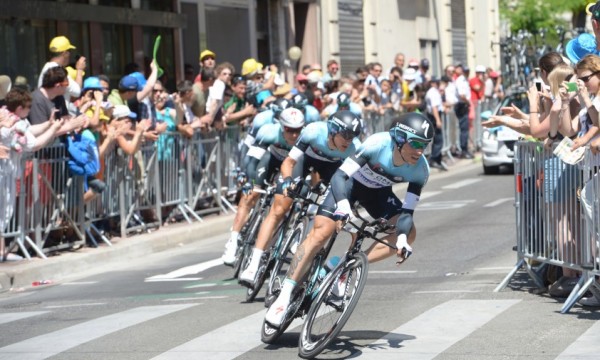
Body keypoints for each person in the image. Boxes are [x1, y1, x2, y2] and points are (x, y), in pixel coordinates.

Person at [265, 112, 433, 326]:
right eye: (416, 143)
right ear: (400, 137)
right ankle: (284, 296)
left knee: (410, 234)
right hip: (348, 187)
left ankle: (345, 264)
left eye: (425, 145)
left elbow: (407, 213)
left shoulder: (421, 170)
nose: (420, 151)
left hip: (378, 194)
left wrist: (401, 239)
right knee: (321, 233)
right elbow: (340, 177)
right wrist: (343, 207)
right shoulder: (377, 144)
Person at [239, 110, 362, 286]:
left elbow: (348, 179)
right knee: (279, 208)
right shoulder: (313, 131)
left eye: (353, 136)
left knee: (329, 216)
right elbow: (289, 162)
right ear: (334, 130)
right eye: (346, 135)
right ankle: (253, 263)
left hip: (332, 169)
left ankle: (307, 242)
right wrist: (288, 180)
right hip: (304, 162)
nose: (349, 140)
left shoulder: (355, 147)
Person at [221, 99, 294, 265]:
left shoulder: (299, 130)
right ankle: (233, 240)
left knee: (287, 197)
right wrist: (245, 175)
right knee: (250, 194)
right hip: (267, 157)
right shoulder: (265, 124)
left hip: (288, 163)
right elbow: (249, 153)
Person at [38, 36, 85, 101]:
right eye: (69, 51)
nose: (69, 54)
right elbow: (77, 92)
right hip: (55, 110)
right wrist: (79, 69)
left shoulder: (48, 67)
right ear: (65, 53)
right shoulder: (57, 71)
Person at [425, 78, 447, 171]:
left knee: (438, 139)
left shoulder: (434, 92)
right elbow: (434, 107)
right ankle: (434, 159)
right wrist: (438, 120)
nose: (437, 84)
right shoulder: (433, 92)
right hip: (434, 116)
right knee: (438, 139)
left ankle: (438, 159)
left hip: (435, 115)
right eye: (436, 82)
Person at [454, 64, 473, 159]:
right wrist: (468, 102)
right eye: (466, 71)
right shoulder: (461, 80)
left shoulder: (465, 80)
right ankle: (463, 149)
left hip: (463, 104)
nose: (467, 73)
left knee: (465, 129)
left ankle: (465, 148)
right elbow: (462, 95)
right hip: (461, 105)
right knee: (464, 129)